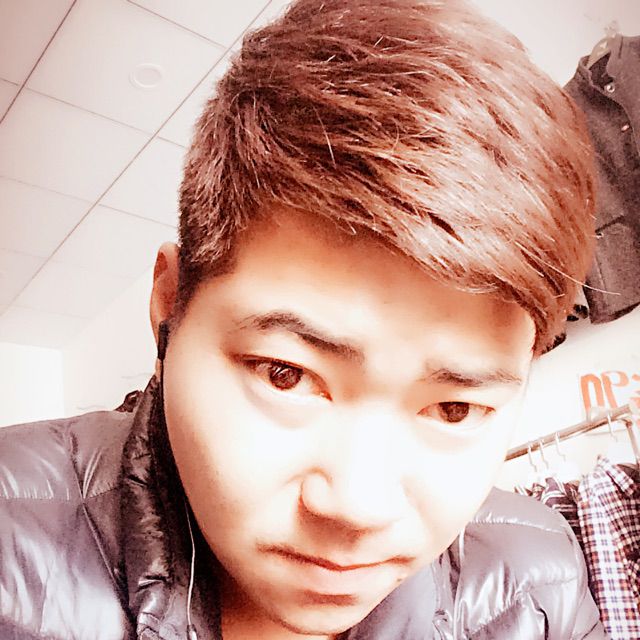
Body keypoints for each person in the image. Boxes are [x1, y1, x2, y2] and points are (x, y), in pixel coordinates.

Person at [0, 0, 606, 638]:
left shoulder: (538, 586)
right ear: (169, 308)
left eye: (454, 410)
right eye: (285, 375)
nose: (360, 508)